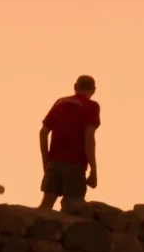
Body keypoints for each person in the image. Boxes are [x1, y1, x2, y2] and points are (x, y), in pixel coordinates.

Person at [38, 75, 100, 214]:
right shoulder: (92, 106)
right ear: (94, 90)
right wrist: (94, 170)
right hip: (75, 165)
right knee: (73, 209)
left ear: (75, 86)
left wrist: (46, 163)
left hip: (54, 163)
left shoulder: (60, 102)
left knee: (45, 206)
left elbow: (43, 133)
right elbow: (89, 137)